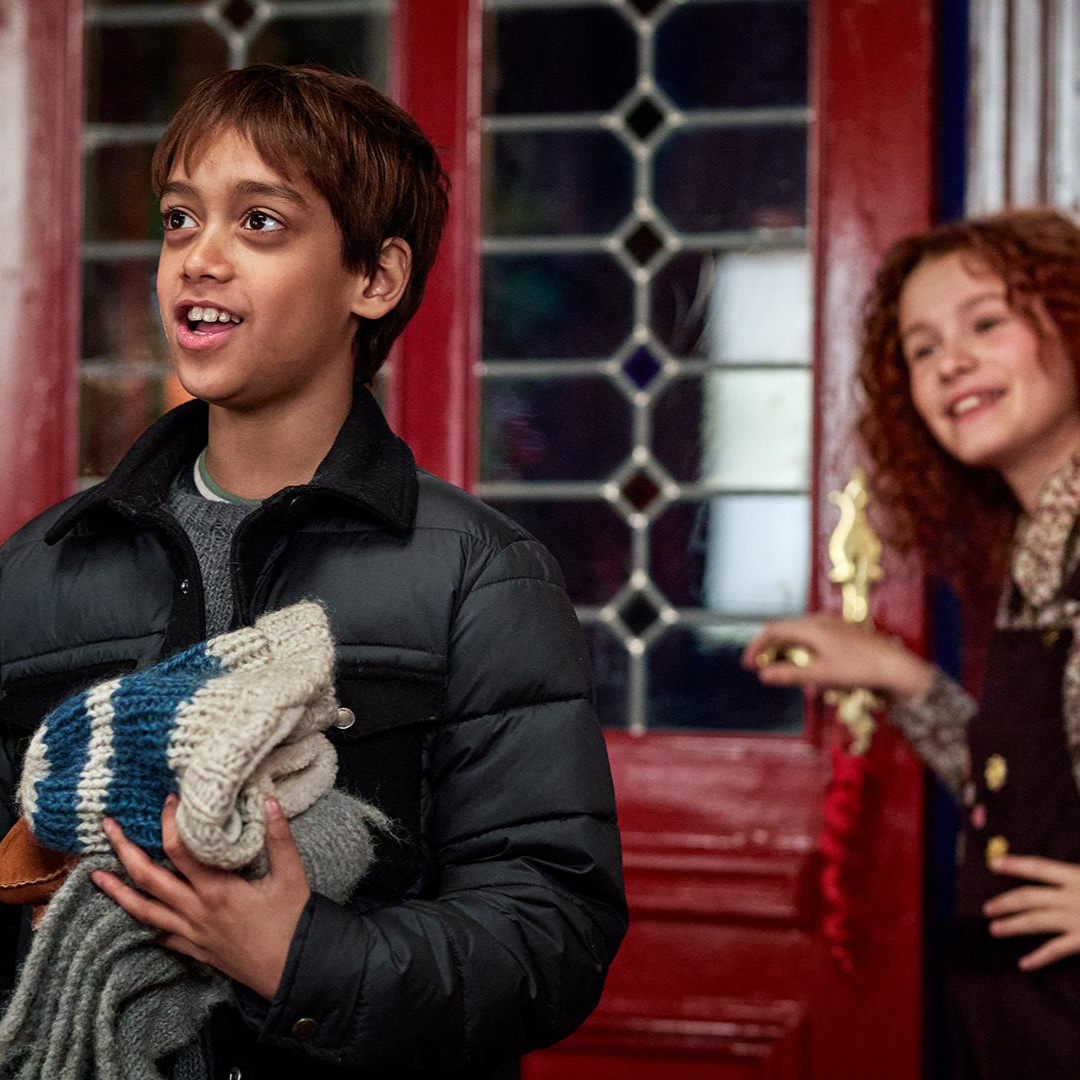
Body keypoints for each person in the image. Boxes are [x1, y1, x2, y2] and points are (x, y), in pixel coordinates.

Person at [0, 64, 626, 1079]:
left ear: (373, 278)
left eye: (259, 223)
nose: (198, 257)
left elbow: (551, 932)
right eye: (177, 219)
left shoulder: (478, 576)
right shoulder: (38, 573)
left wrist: (299, 956)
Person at [743, 208, 1080, 1077]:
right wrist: (898, 677)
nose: (951, 362)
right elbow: (1039, 791)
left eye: (985, 323)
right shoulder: (1041, 543)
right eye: (922, 348)